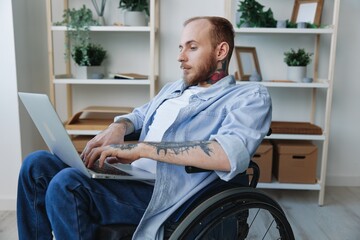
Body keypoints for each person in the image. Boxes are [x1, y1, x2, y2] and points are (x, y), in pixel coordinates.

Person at [17, 16, 271, 239]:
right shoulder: (173, 89)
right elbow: (139, 115)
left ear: (221, 51)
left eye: (192, 48)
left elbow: (228, 154)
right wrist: (120, 126)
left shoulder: (248, 97)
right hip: (131, 178)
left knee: (67, 184)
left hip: (169, 198)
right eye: (181, 47)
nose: (181, 57)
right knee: (36, 165)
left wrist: (143, 149)